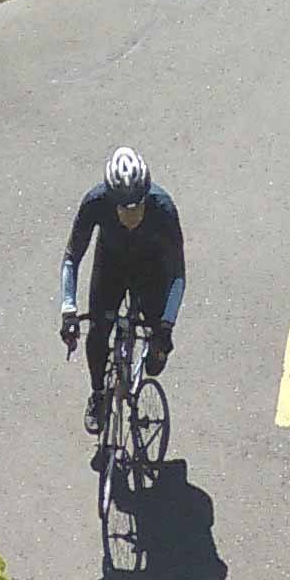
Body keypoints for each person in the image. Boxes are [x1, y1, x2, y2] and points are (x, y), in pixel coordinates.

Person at [59, 147, 186, 434]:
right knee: (98, 334)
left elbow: (178, 275)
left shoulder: (163, 208)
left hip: (152, 271)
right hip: (111, 267)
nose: (132, 214)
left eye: (138, 206)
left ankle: (153, 353)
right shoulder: (95, 202)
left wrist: (166, 326)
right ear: (111, 199)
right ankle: (98, 396)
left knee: (156, 357)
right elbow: (71, 256)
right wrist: (68, 309)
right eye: (123, 207)